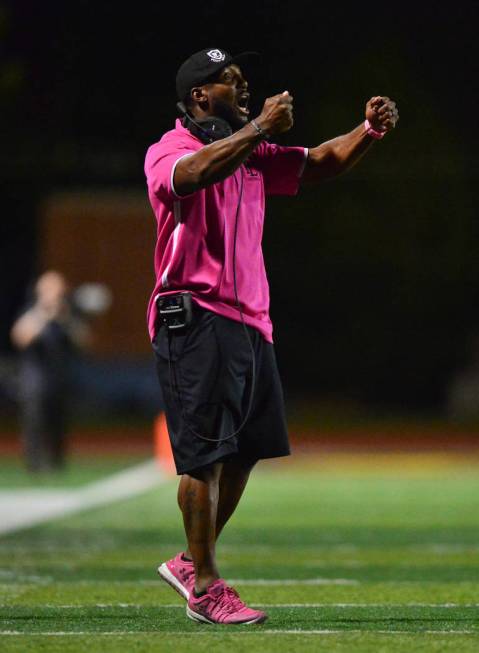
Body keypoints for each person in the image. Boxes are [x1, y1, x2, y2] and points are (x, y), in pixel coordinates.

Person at [144, 47, 399, 625]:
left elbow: (320, 162)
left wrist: (368, 131)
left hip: (251, 320)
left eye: (241, 77)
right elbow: (190, 176)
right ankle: (206, 587)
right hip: (197, 313)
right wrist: (258, 126)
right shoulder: (172, 147)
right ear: (199, 97)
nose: (242, 85)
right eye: (227, 81)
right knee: (204, 455)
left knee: (248, 449)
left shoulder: (254, 155)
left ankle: (190, 560)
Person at [10, 271, 90, 472]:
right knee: (34, 421)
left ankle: (57, 462)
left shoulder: (67, 313)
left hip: (59, 378)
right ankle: (34, 463)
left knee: (59, 422)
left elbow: (85, 340)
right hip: (34, 379)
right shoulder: (30, 311)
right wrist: (43, 315)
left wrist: (64, 318)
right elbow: (20, 337)